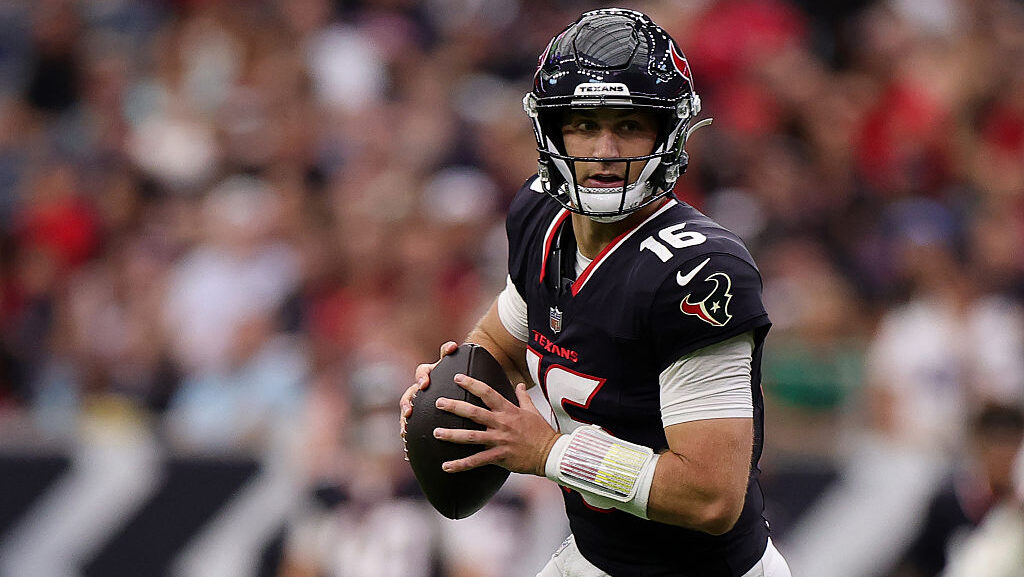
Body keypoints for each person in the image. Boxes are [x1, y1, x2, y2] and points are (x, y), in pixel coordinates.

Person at [400, 8, 790, 577]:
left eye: (629, 125)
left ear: (668, 132)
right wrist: (458, 392)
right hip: (596, 558)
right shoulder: (540, 215)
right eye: (584, 124)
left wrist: (547, 452)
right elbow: (498, 343)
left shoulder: (700, 270)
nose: (605, 150)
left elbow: (712, 496)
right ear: (552, 131)